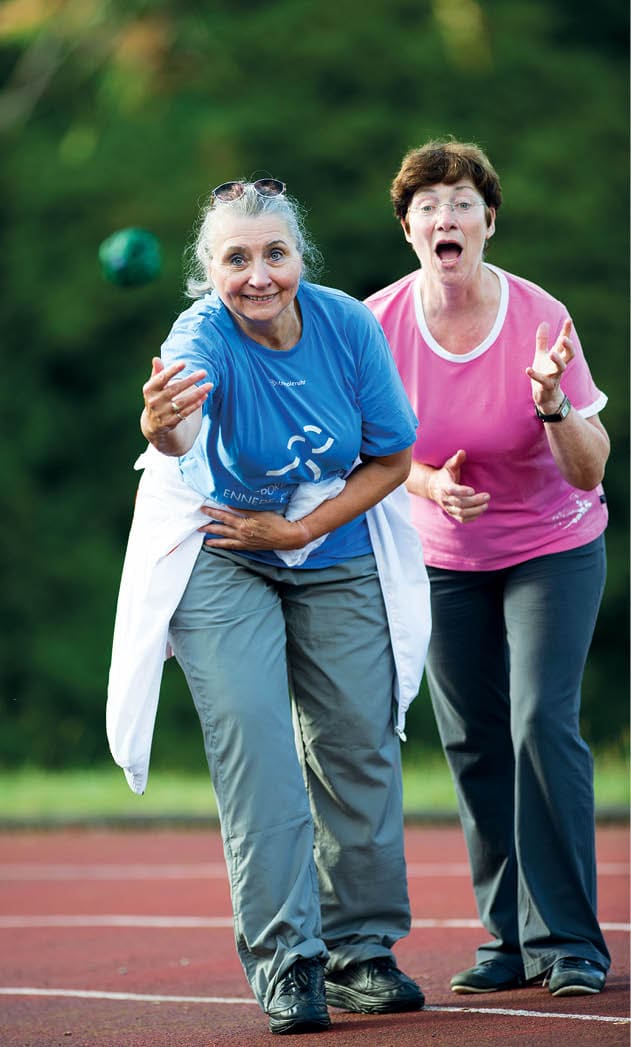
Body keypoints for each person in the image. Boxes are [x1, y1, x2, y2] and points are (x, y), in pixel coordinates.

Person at [108, 177, 429, 1035]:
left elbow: (392, 459)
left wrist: (299, 531)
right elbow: (179, 428)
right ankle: (288, 960)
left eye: (273, 253)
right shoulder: (199, 332)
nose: (258, 274)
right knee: (257, 749)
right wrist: (159, 424)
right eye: (235, 258)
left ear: (300, 258)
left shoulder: (347, 326)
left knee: (355, 744)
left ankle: (360, 951)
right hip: (222, 547)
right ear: (208, 270)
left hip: (326, 540)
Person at [365, 139, 611, 999]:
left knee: (540, 720)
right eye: (428, 205)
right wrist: (429, 481)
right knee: (472, 742)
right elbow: (369, 455)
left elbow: (590, 467)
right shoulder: (378, 324)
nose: (446, 217)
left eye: (462, 202)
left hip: (553, 543)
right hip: (441, 555)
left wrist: (549, 403)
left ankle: (570, 941)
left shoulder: (540, 316)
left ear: (488, 221)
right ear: (407, 229)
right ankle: (507, 936)